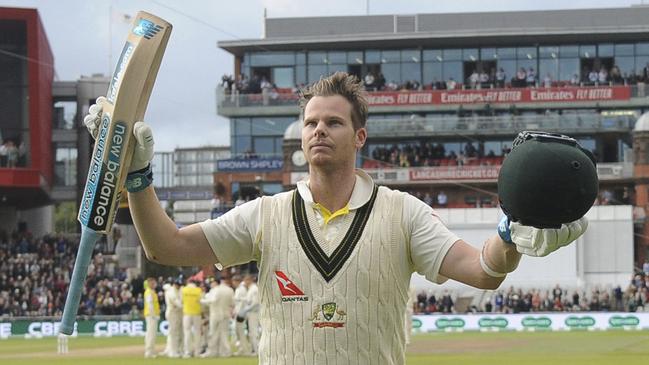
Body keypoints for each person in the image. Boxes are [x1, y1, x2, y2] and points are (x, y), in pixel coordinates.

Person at [83, 72, 588, 364]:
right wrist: (138, 177)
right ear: (301, 138)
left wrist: (511, 234)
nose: (318, 130)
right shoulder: (267, 213)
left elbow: (482, 269)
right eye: (310, 123)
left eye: (333, 122)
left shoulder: (402, 213)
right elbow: (165, 247)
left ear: (359, 136)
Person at [200, 277, 234, 357]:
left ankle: (212, 351)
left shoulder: (215, 290)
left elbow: (213, 300)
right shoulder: (229, 290)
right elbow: (232, 303)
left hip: (215, 314)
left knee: (213, 333)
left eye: (212, 283)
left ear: (215, 282)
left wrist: (201, 301)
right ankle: (225, 351)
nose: (211, 285)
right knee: (224, 333)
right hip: (226, 314)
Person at [181, 278, 203, 358]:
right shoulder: (198, 290)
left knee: (187, 332)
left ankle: (188, 352)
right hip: (197, 313)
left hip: (187, 313)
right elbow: (201, 301)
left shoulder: (183, 290)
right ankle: (197, 351)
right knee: (197, 333)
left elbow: (181, 301)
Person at [239, 275, 260, 355]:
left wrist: (245, 310)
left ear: (249, 280)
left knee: (254, 332)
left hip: (254, 313)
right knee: (252, 332)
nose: (244, 282)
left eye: (245, 280)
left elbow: (255, 303)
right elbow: (249, 300)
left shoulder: (254, 289)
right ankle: (255, 350)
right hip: (251, 313)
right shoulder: (251, 289)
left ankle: (257, 350)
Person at [162, 277, 183, 358]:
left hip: (178, 313)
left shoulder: (179, 290)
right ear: (174, 284)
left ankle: (177, 350)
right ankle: (172, 351)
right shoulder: (170, 292)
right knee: (173, 332)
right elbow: (177, 303)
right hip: (172, 313)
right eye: (178, 285)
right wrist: (185, 307)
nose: (179, 286)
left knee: (178, 332)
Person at [232, 275, 251, 356]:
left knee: (241, 332)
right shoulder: (239, 289)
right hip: (239, 312)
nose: (233, 283)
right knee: (239, 332)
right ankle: (242, 349)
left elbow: (244, 301)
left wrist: (239, 313)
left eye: (233, 281)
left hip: (241, 313)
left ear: (236, 281)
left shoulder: (242, 289)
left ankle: (245, 350)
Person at [143, 277, 160, 358]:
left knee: (152, 333)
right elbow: (150, 304)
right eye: (153, 283)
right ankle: (149, 351)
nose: (154, 285)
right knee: (151, 334)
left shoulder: (152, 292)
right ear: (149, 283)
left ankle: (151, 350)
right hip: (151, 315)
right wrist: (153, 315)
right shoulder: (149, 292)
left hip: (152, 315)